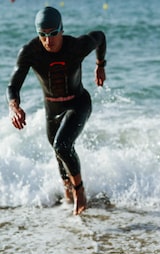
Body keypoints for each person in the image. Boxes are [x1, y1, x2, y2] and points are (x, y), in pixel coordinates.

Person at [6, 6, 107, 215]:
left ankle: (80, 191)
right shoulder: (30, 52)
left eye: (53, 33)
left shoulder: (76, 46)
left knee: (62, 145)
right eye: (42, 35)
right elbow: (12, 87)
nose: (48, 40)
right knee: (57, 150)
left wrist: (100, 64)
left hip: (78, 103)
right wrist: (14, 107)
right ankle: (67, 194)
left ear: (61, 29)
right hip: (52, 107)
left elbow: (100, 37)